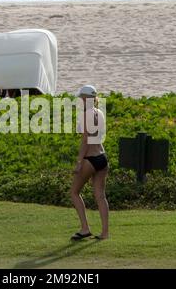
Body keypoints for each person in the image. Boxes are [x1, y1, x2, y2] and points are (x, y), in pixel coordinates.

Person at [70, 85, 109, 241]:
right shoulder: (99, 112)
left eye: (80, 97)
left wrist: (79, 162)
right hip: (102, 157)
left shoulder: (85, 114)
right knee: (100, 196)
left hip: (90, 159)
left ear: (86, 98)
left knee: (74, 192)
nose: (79, 100)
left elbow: (85, 140)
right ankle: (105, 233)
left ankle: (85, 228)